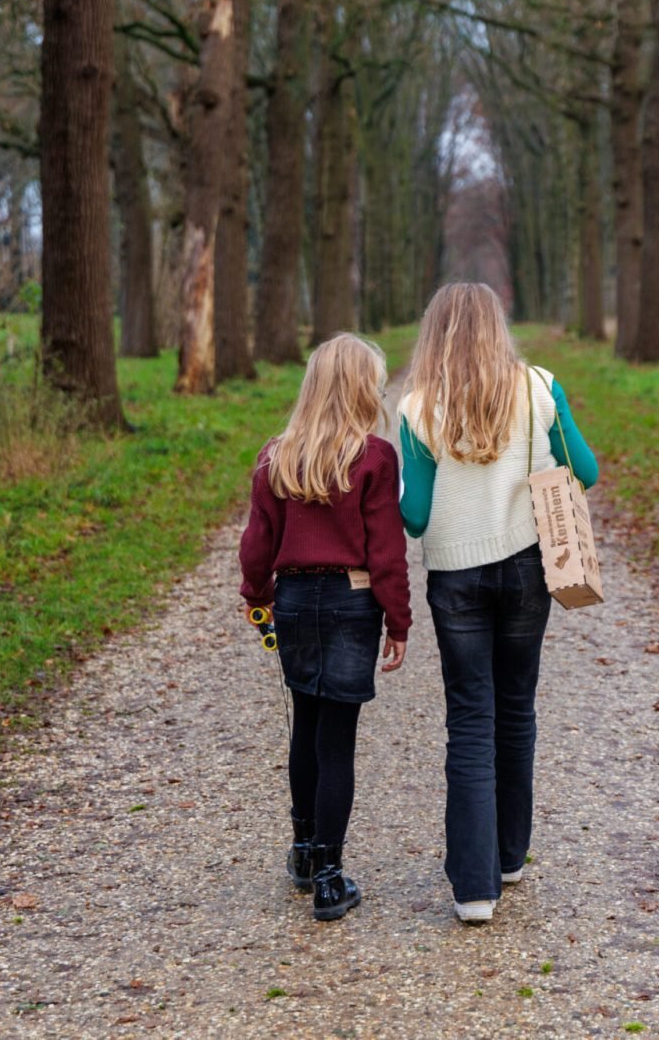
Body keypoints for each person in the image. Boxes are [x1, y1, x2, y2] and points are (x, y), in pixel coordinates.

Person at [398, 282, 599, 924]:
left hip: (456, 578)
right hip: (526, 571)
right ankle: (511, 856)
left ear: (435, 334)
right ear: (498, 328)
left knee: (470, 720)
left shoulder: (417, 407)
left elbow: (416, 516)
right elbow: (585, 471)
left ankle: (473, 887)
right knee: (516, 710)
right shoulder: (540, 388)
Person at [239, 334, 411, 922]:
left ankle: (305, 850)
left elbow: (256, 543)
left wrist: (257, 594)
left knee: (305, 725)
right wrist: (398, 619)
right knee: (335, 739)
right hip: (350, 600)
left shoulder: (275, 456)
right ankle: (331, 880)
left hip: (292, 602)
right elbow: (386, 550)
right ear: (364, 388)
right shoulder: (373, 458)